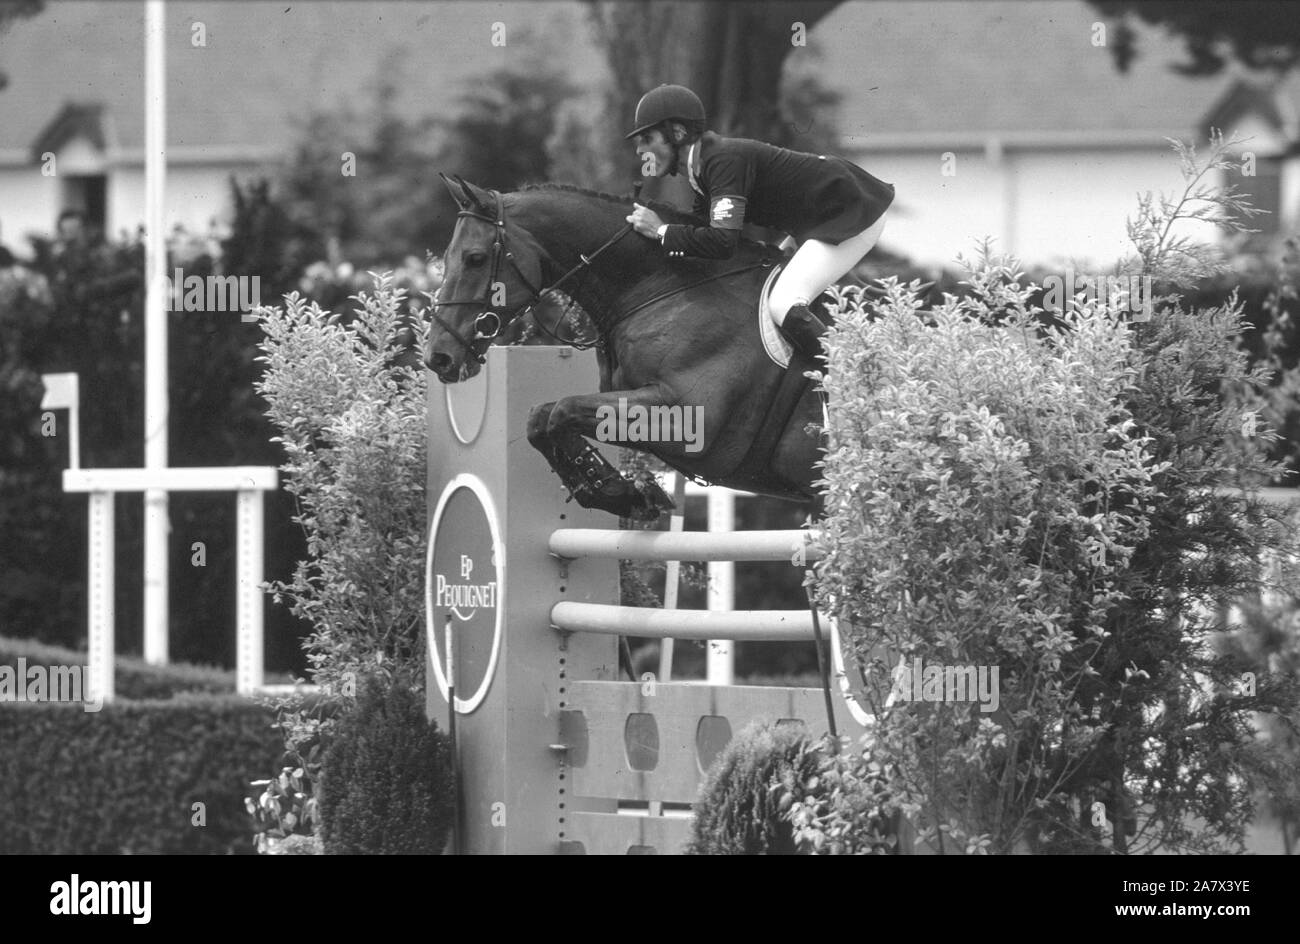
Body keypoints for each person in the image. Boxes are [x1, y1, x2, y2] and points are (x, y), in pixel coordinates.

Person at [625, 84, 894, 363]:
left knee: (783, 304)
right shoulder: (703, 168)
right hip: (818, 221)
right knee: (764, 288)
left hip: (849, 213)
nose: (640, 150)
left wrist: (661, 230)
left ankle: (851, 378)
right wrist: (657, 234)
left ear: (678, 133)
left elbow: (722, 242)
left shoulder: (722, 161)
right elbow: (701, 233)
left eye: (647, 138)